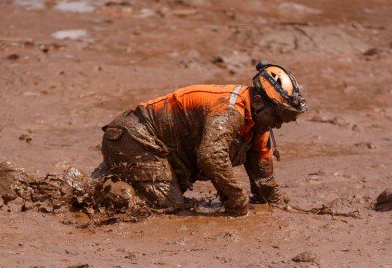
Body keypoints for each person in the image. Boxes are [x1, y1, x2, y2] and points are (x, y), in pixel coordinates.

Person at [94, 61, 308, 216]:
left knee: (172, 196)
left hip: (159, 148)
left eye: (287, 119)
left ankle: (112, 178)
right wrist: (236, 198)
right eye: (279, 116)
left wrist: (275, 205)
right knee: (170, 205)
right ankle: (104, 192)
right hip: (136, 137)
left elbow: (264, 178)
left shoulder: (258, 125)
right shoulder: (230, 110)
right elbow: (211, 156)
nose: (279, 124)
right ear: (259, 101)